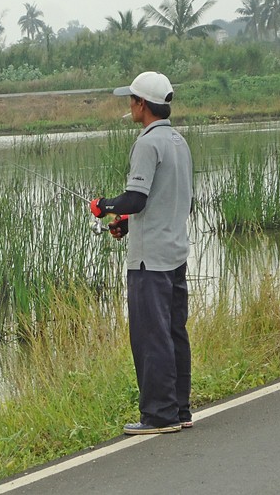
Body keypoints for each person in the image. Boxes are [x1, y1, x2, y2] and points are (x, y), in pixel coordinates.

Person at [89, 71, 193, 435]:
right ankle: (180, 409)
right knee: (174, 332)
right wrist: (129, 224)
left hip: (149, 262)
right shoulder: (179, 142)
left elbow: (136, 198)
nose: (129, 105)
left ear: (143, 105)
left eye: (131, 100)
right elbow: (170, 201)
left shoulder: (147, 144)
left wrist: (104, 205)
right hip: (175, 254)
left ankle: (159, 416)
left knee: (152, 336)